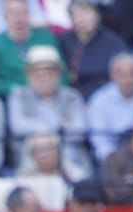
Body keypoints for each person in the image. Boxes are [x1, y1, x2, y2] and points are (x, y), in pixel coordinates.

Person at [8, 45, 91, 174]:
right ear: (29, 75)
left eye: (50, 72)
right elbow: (18, 127)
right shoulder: (18, 95)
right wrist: (58, 125)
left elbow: (80, 130)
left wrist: (37, 126)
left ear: (58, 74)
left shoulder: (72, 96)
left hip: (69, 161)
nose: (44, 77)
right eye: (38, 73)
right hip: (30, 164)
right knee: (39, 146)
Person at [0, 0, 60, 98]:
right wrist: (16, 89)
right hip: (9, 98)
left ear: (30, 16)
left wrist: (48, 88)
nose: (19, 19)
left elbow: (63, 73)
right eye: (13, 14)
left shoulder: (46, 39)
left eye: (23, 13)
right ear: (5, 18)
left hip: (50, 97)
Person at [59, 0, 126, 97]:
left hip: (106, 95)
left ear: (97, 15)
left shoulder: (112, 41)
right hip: (73, 96)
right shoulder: (64, 41)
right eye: (77, 15)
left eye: (87, 13)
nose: (83, 19)